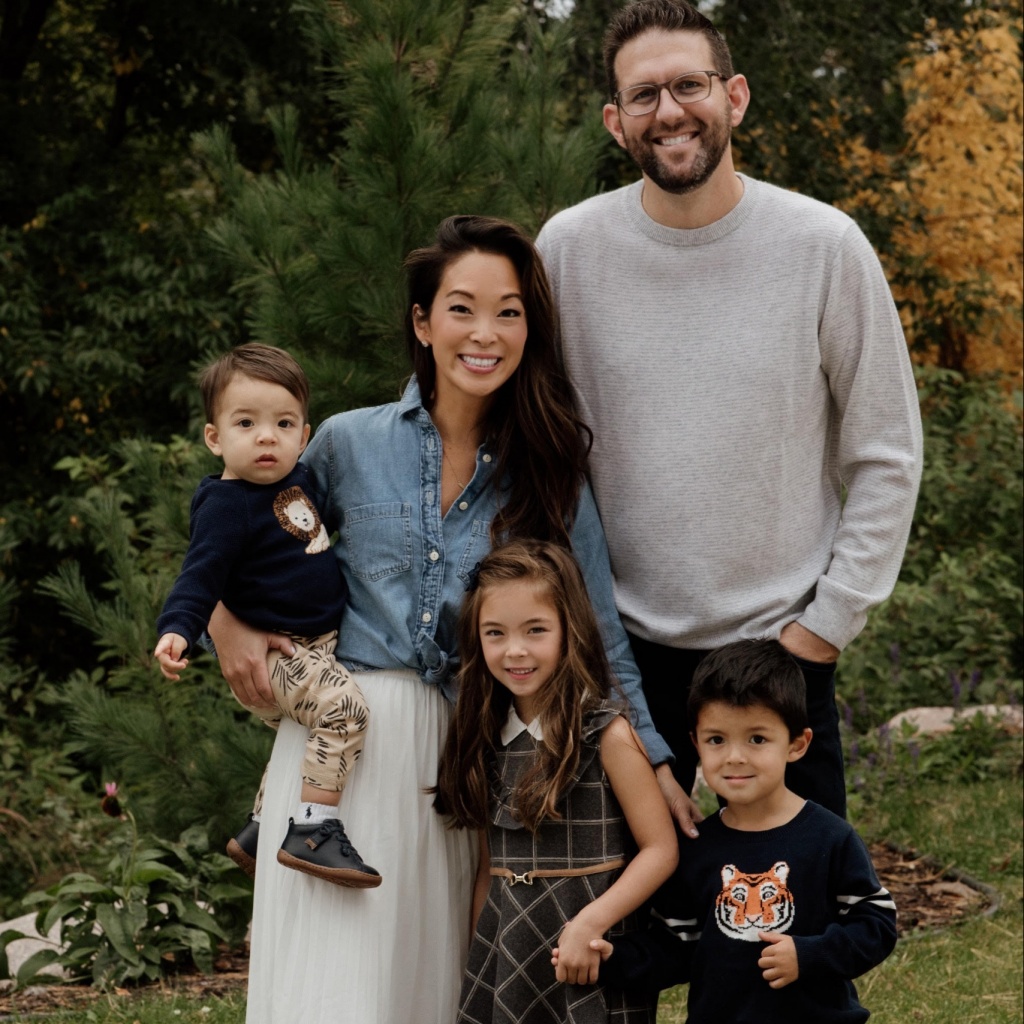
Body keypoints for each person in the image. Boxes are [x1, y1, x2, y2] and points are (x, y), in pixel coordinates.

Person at [207, 216, 675, 1024]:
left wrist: (654, 758)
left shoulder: (549, 468)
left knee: (433, 984)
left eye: (509, 312)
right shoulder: (347, 444)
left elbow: (599, 630)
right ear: (423, 323)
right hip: (344, 755)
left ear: (530, 329)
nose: (485, 333)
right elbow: (233, 525)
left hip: (469, 755)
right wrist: (223, 621)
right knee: (333, 988)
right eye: (462, 308)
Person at [535, 0, 924, 823]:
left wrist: (823, 630)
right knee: (631, 905)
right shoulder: (567, 250)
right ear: (615, 120)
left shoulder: (824, 246)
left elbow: (886, 453)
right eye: (644, 95)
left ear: (734, 96)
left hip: (781, 650)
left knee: (794, 901)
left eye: (690, 85)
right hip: (623, 656)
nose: (669, 111)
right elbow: (519, 430)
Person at [567, 639, 898, 1023]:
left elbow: (876, 924)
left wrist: (809, 954)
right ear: (696, 744)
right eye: (717, 740)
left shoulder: (830, 837)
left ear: (796, 744)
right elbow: (677, 946)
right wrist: (615, 958)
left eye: (757, 739)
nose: (735, 757)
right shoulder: (697, 847)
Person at [153, 343, 379, 888]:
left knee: (305, 735)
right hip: (278, 653)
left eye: (283, 423)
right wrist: (178, 629)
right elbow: (198, 577)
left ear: (304, 436)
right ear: (215, 438)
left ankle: (260, 826)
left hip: (313, 644)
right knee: (343, 710)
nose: (266, 437)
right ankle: (312, 830)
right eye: (246, 423)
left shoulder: (296, 481)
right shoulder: (226, 506)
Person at [434, 540, 678, 1023]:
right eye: (495, 633)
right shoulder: (483, 738)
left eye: (536, 630)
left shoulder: (607, 733)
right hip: (510, 948)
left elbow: (660, 850)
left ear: (570, 630)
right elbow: (489, 868)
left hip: (592, 943)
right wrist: (480, 956)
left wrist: (591, 922)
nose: (515, 650)